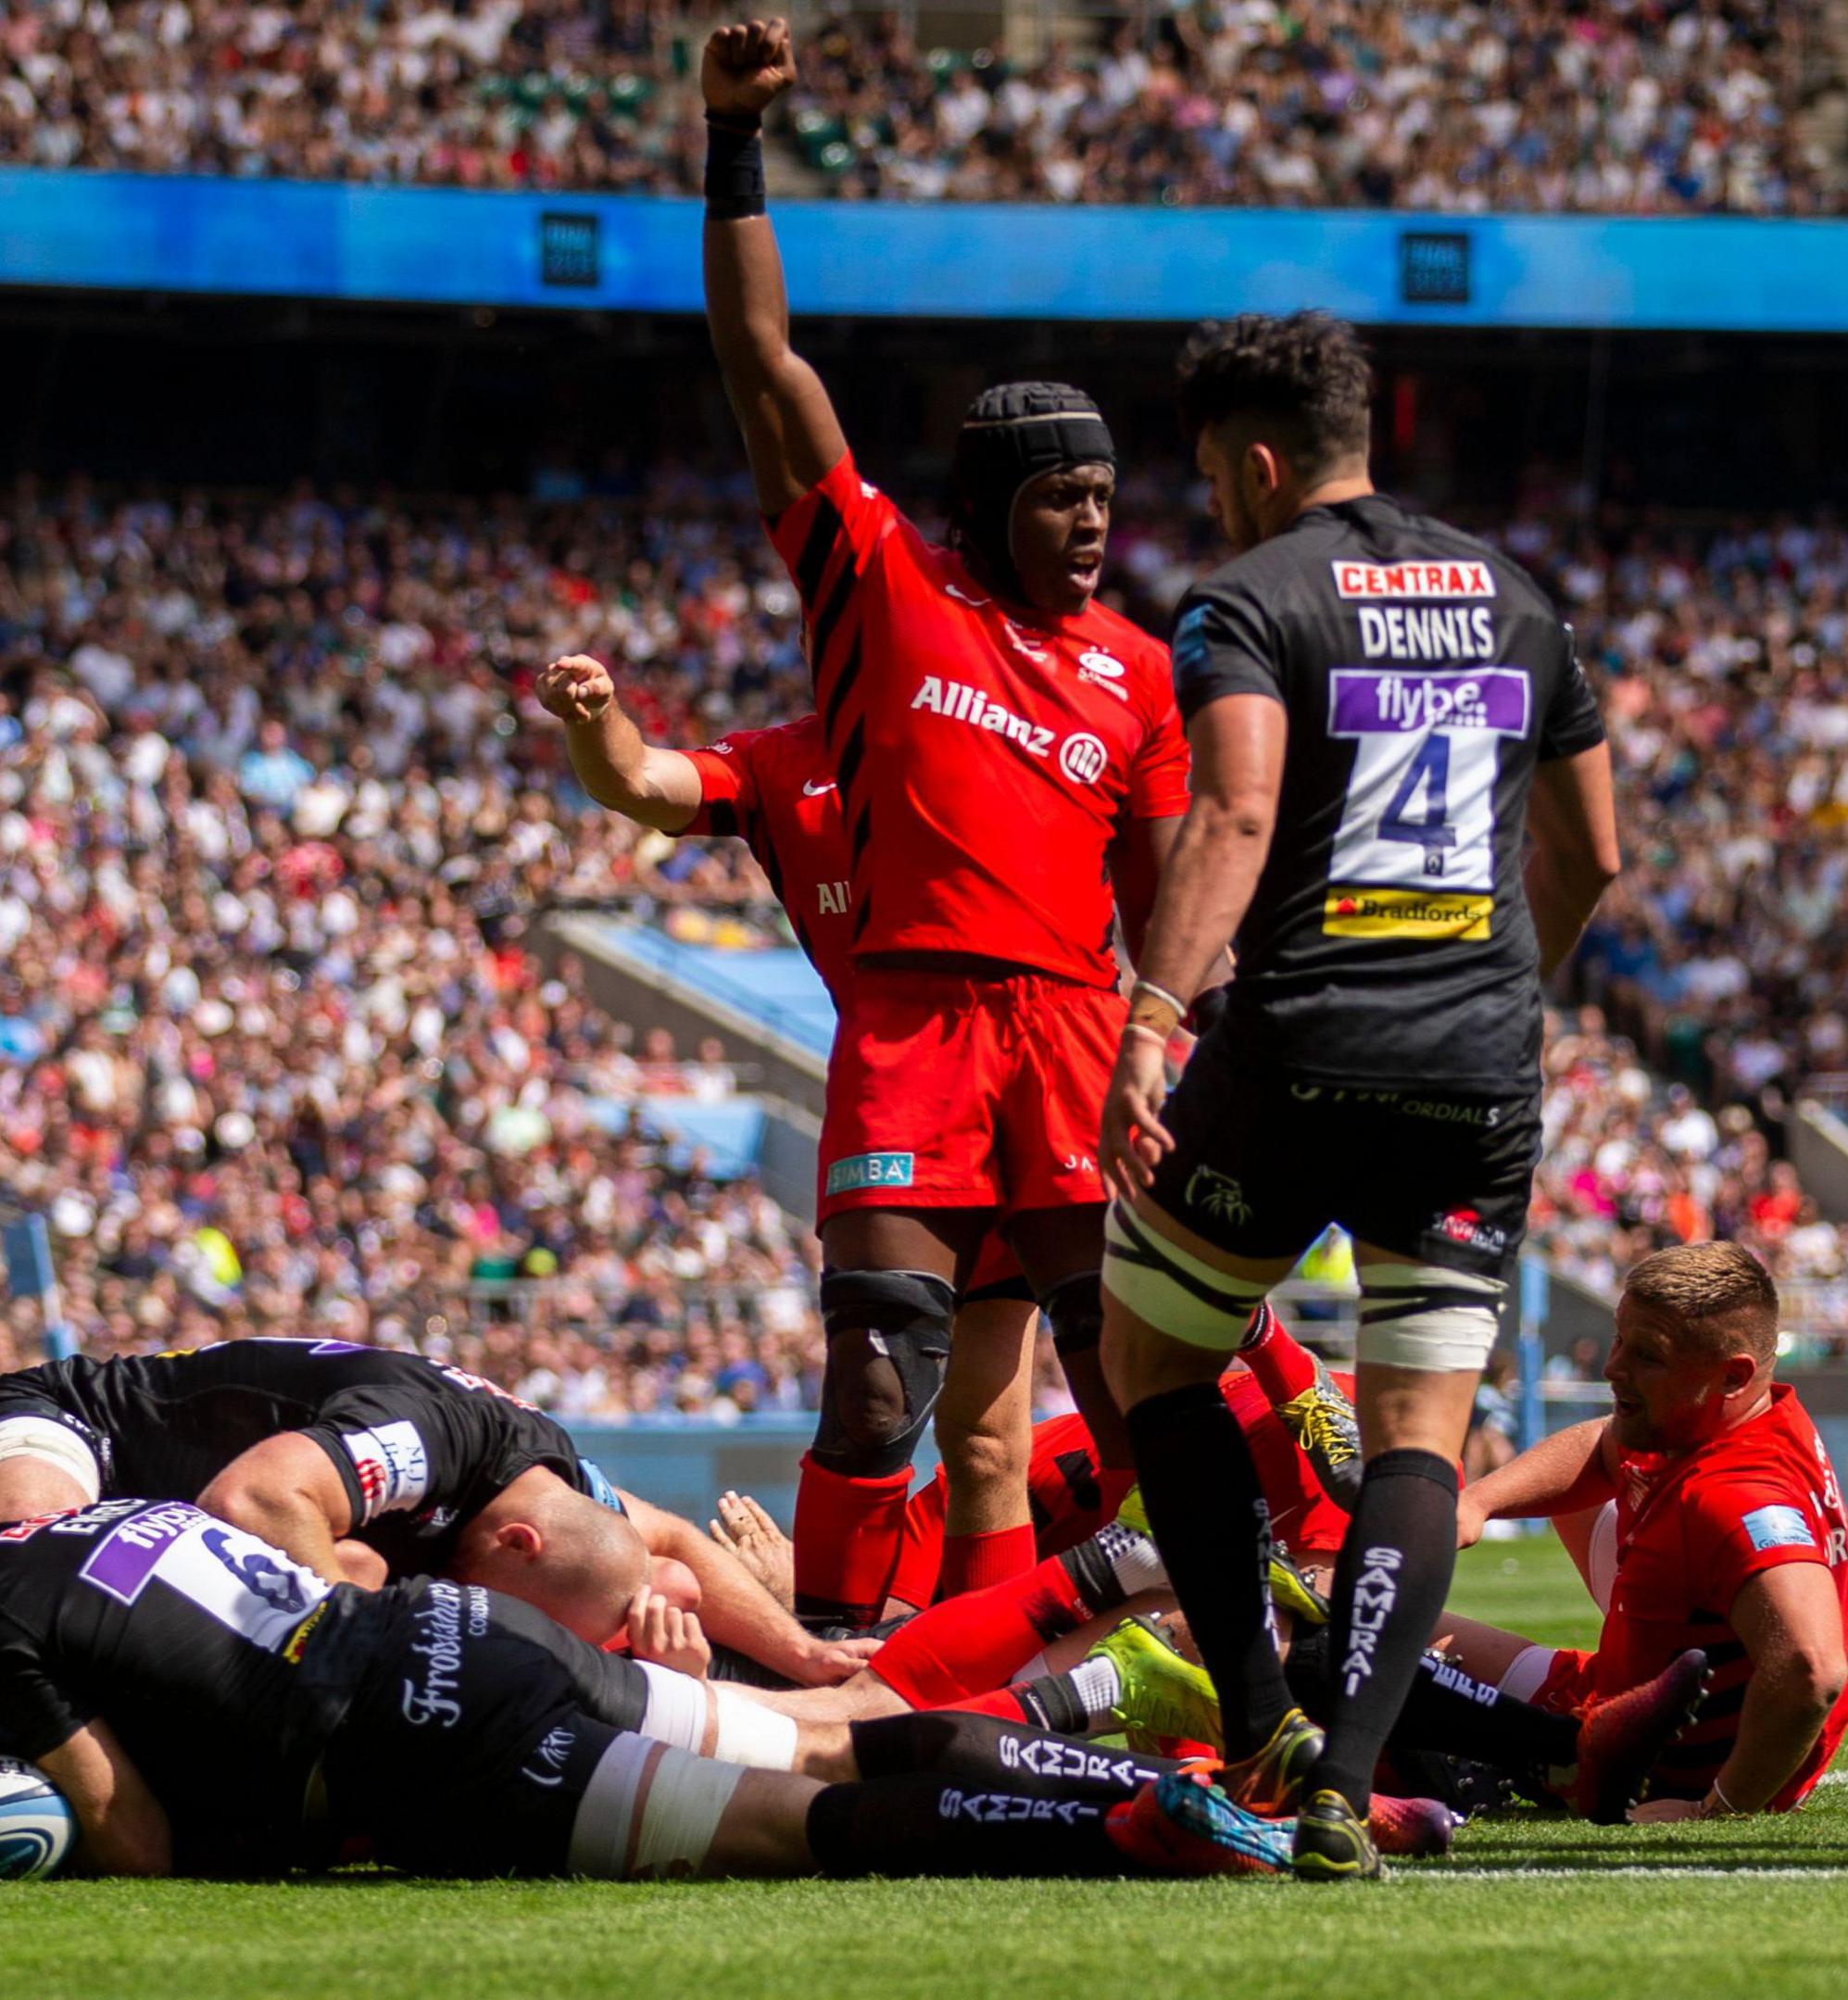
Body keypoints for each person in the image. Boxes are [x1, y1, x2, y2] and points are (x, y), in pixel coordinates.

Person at [1096, 309, 1618, 1878]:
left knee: (1153, 1358)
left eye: (1210, 476)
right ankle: (1355, 1771)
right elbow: (1591, 852)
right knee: (1418, 1433)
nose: (1212, 504)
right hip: (1473, 1064)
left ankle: (1263, 1717)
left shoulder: (1247, 599)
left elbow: (1240, 807)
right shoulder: (1520, 598)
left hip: (1302, 1044)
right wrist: (1511, 996)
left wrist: (1150, 1012)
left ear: (1258, 462)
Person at [698, 19, 1189, 1628]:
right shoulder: (888, 587)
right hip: (912, 1017)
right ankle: (833, 1659)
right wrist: (735, 144)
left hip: (1069, 1025)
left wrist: (1173, 1036)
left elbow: (1177, 883)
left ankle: (1181, 1649)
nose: (1098, 522)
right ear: (985, 505)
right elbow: (768, 373)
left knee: (1134, 1384)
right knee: (878, 1371)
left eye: (1110, 498)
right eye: (1066, 498)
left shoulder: (1138, 669)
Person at [0, 1492, 1294, 1881]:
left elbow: (134, 1835)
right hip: (471, 1636)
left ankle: (1115, 1827)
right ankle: (1148, 1768)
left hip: (428, 1738)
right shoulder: (65, 1523)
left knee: (782, 1821)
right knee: (832, 1735)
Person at [0, 1337, 855, 1877]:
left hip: (180, 1547)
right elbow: (250, 1501)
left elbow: (659, 1544)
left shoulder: (565, 1489)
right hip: (67, 1433)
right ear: (512, 1537)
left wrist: (810, 1657)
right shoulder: (439, 1436)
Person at [535, 654, 1054, 1619]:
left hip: (1031, 1090)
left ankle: (1008, 1692)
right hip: (895, 1096)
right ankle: (835, 1662)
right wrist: (594, 717)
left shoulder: (999, 733)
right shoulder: (782, 761)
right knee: (875, 1391)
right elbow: (639, 779)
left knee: (993, 1440)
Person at [1454, 1243, 1848, 1818]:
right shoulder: (1755, 1413)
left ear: (1733, 1375)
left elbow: (1811, 1668)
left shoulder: (1733, 1495)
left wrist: (1716, 1808)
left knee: (1379, 1629)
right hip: (1726, 1701)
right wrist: (1476, 1503)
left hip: (1656, 1759)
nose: (1612, 1366)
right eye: (1620, 1338)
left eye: (1647, 1355)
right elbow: (1605, 1447)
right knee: (1586, 1485)